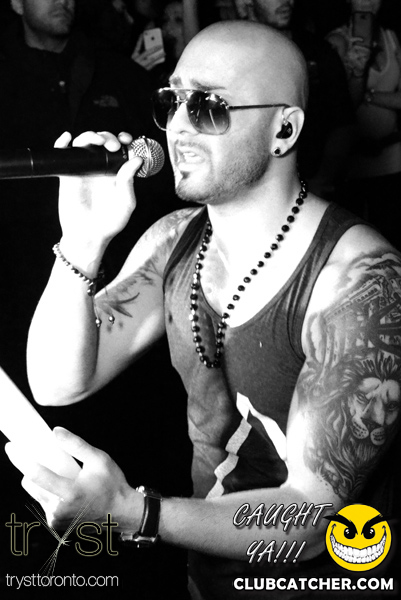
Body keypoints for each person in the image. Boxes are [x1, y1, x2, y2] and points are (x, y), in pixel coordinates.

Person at [17, 20, 401, 600]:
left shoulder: (358, 280)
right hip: (207, 573)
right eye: (170, 102)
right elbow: (58, 384)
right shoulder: (174, 240)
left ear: (284, 129)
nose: (178, 125)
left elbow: (313, 519)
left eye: (209, 107)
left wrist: (134, 513)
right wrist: (82, 242)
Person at [234, 0, 355, 200]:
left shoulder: (317, 50)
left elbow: (344, 122)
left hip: (313, 184)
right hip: (253, 191)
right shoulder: (234, 53)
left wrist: (321, 180)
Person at [326, 0, 401, 249]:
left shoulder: (392, 39)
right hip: (352, 165)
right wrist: (357, 73)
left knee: (393, 240)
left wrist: (370, 96)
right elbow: (340, 108)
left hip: (392, 158)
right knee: (357, 245)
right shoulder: (336, 41)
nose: (367, 1)